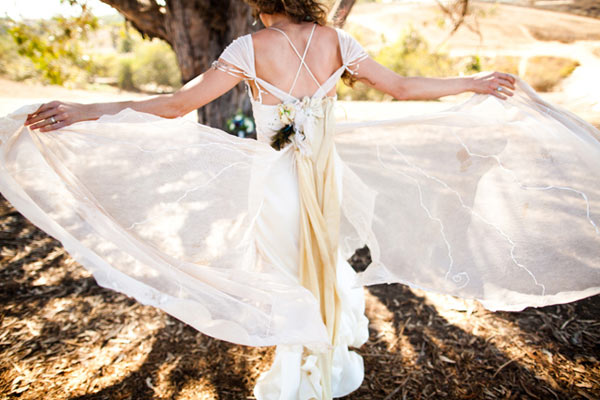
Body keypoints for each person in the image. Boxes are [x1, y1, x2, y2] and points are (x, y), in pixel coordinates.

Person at [1, 1, 599, 399]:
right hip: (327, 179)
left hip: (282, 184)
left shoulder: (249, 47)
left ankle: (299, 373)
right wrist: (472, 81)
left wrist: (87, 109)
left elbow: (176, 105)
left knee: (288, 271)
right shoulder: (337, 39)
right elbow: (404, 87)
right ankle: (320, 362)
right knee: (322, 270)